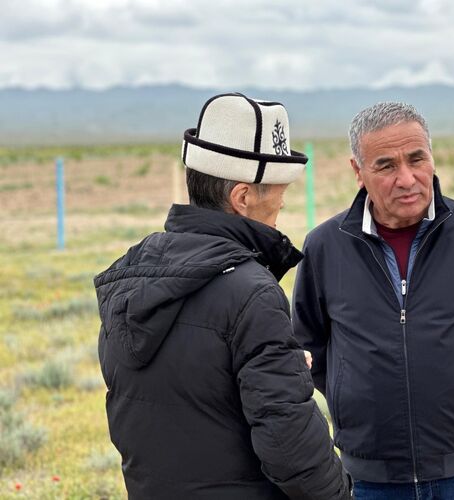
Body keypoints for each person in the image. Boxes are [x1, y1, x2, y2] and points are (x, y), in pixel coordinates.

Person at [94, 93, 351, 499]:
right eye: (278, 203)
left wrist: (275, 365)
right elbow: (291, 446)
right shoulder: (251, 293)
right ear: (243, 197)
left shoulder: (127, 278)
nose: (278, 217)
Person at [292, 102, 454, 499]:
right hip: (369, 480)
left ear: (431, 157)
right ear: (358, 172)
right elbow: (311, 348)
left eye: (417, 159)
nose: (407, 179)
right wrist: (358, 396)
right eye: (386, 166)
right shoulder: (325, 247)